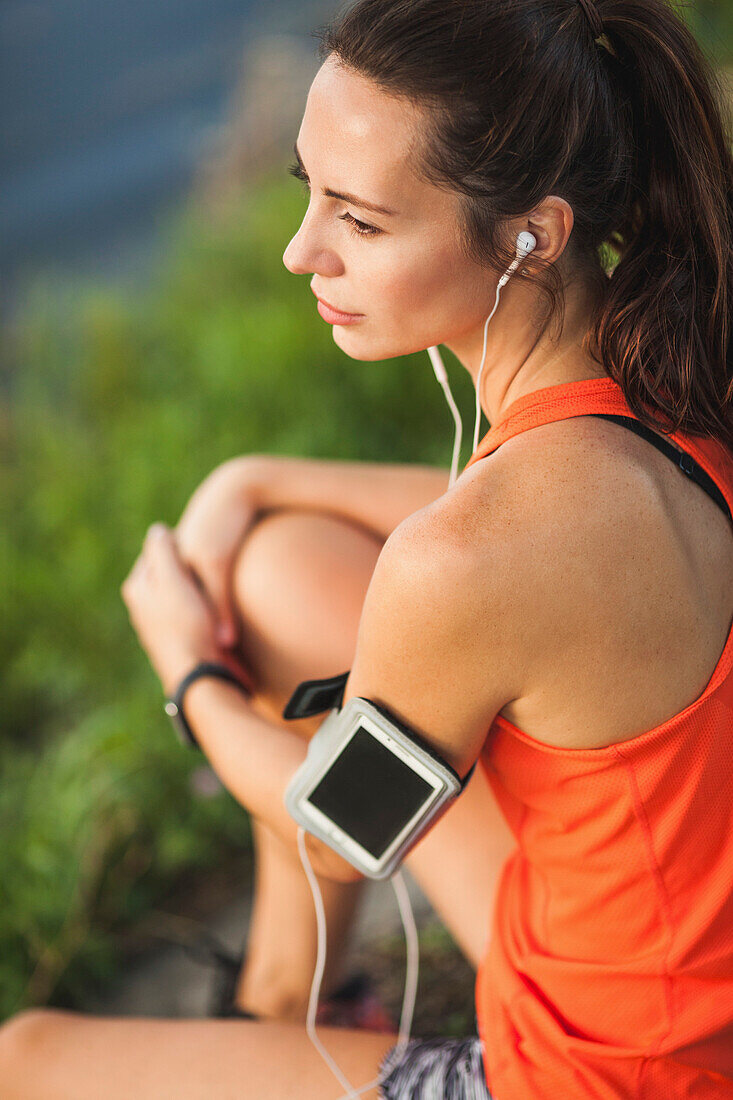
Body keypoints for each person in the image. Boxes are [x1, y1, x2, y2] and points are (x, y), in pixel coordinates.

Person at [2, 0, 732, 1095]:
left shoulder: (471, 560)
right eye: (308, 193)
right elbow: (489, 529)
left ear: (531, 233)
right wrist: (254, 478)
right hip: (663, 955)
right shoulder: (670, 371)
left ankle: (292, 1023)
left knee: (24, 1060)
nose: (301, 254)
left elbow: (341, 834)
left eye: (361, 220)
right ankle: (286, 1004)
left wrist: (188, 671)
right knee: (285, 565)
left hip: (610, 1074)